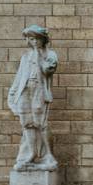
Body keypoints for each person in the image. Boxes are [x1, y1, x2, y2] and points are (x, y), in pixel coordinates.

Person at [8, 24, 59, 171]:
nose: (34, 42)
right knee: (27, 124)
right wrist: (12, 93)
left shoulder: (50, 55)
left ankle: (48, 155)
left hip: (39, 91)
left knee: (41, 124)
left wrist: (38, 54)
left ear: (43, 40)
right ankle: (30, 154)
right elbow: (19, 77)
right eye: (31, 39)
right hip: (25, 91)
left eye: (37, 39)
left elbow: (47, 69)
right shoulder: (25, 57)